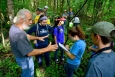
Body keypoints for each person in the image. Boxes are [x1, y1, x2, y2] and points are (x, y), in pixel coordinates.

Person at [9, 9, 58, 77]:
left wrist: (38, 38)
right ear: (21, 19)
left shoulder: (15, 27)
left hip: (21, 57)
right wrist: (47, 49)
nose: (31, 22)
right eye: (29, 19)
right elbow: (29, 53)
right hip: (25, 60)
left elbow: (26, 35)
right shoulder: (19, 35)